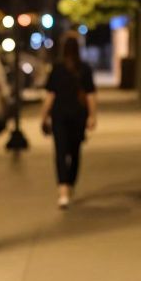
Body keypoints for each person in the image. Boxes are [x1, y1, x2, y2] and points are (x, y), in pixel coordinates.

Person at [40, 31, 98, 208]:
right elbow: (90, 95)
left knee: (60, 152)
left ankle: (63, 190)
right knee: (74, 152)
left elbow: (50, 95)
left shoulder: (57, 69)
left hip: (59, 116)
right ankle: (70, 185)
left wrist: (43, 116)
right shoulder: (85, 69)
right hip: (78, 115)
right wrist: (93, 116)